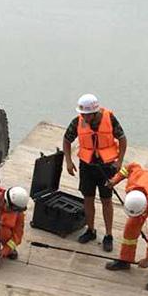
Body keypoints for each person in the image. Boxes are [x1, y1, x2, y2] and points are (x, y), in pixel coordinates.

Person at [63, 93, 127, 252]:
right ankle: (90, 230)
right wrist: (68, 161)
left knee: (106, 200)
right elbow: (67, 140)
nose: (83, 117)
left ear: (94, 112)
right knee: (88, 198)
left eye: (86, 114)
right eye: (82, 114)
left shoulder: (109, 119)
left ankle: (108, 235)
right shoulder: (77, 121)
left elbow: (123, 138)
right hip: (87, 165)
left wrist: (119, 161)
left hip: (107, 166)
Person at [104, 162, 148, 292]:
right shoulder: (135, 181)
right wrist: (114, 180)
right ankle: (125, 260)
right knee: (130, 228)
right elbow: (130, 167)